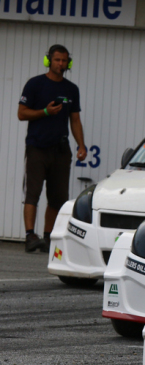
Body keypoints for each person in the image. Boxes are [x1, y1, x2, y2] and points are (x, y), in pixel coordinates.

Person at [18, 44, 87, 253]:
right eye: (57, 60)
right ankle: (30, 236)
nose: (61, 64)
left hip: (61, 150)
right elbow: (22, 113)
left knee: (57, 197)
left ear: (69, 63)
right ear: (48, 61)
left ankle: (48, 237)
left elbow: (75, 120)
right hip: (37, 147)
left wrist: (81, 145)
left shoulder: (71, 89)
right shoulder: (35, 84)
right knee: (33, 193)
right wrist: (45, 112)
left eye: (64, 61)